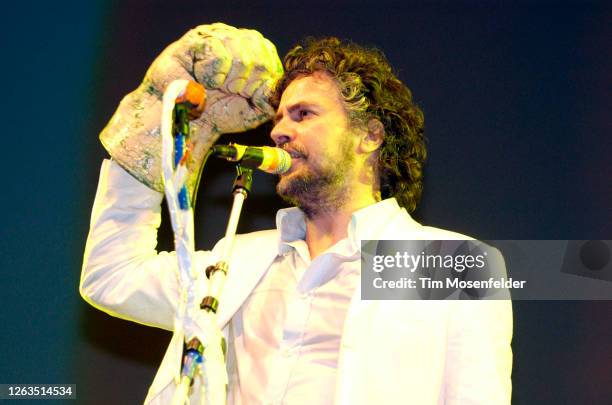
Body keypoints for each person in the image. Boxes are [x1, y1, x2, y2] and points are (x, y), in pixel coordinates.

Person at [81, 23, 512, 404]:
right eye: (280, 117)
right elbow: (112, 276)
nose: (279, 131)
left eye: (304, 114)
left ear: (369, 136)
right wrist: (151, 122)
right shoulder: (236, 261)